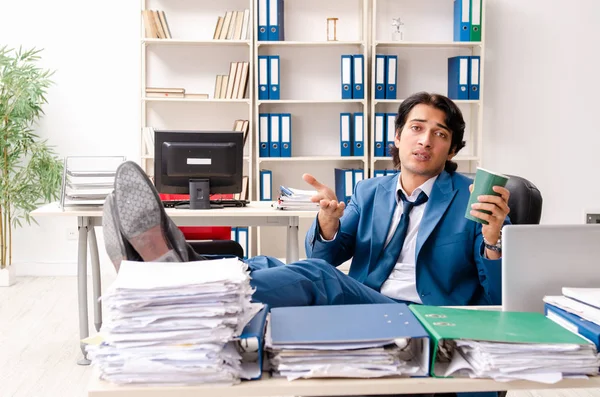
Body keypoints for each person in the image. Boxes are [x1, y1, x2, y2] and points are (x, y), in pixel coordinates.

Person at [103, 91, 510, 309]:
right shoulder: (371, 191)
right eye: (417, 128)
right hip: (369, 301)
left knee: (318, 278)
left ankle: (179, 277)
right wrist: (330, 227)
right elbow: (325, 255)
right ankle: (179, 269)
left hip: (426, 313)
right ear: (397, 138)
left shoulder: (474, 199)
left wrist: (494, 242)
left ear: (452, 149)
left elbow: (497, 300)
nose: (425, 140)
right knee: (267, 263)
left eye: (439, 134)